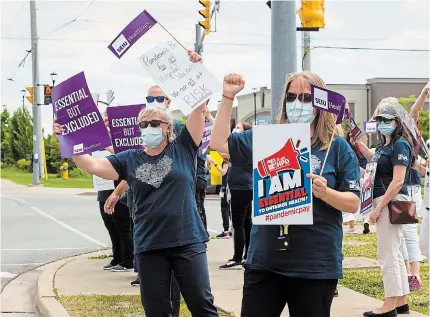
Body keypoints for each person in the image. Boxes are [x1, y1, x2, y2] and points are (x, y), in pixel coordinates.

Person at [210, 72, 361, 317]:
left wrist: (325, 192)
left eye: (305, 97)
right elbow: (218, 143)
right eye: (291, 97)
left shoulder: (337, 147)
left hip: (314, 264)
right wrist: (227, 97)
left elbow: (353, 203)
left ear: (319, 104)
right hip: (265, 261)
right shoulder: (267, 139)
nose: (297, 104)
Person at [356, 99, 414, 316]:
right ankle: (400, 301)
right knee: (395, 252)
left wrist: (379, 207)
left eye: (386, 120)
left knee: (388, 254)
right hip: (385, 202)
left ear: (396, 122)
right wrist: (360, 144)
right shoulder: (384, 146)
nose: (382, 123)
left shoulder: (400, 145)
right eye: (379, 120)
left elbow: (398, 180)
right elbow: (375, 160)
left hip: (390, 202)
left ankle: (389, 304)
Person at [218, 121, 253, 269]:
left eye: (238, 127)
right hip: (246, 187)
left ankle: (237, 257)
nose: (234, 130)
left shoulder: (242, 148)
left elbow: (219, 144)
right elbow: (222, 151)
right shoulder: (243, 149)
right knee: (246, 222)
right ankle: (248, 255)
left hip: (240, 188)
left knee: (238, 224)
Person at [209, 153, 232, 238]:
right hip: (229, 186)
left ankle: (226, 231)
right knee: (229, 209)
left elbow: (223, 172)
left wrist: (214, 163)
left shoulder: (226, 160)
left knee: (224, 208)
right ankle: (231, 229)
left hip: (226, 187)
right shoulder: (232, 158)